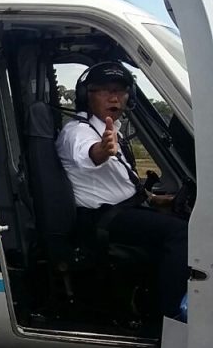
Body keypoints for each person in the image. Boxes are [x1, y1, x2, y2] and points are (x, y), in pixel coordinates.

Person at [55, 61, 188, 324]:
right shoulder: (78, 132)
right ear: (86, 95)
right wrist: (103, 150)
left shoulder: (111, 130)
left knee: (183, 223)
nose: (114, 97)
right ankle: (170, 318)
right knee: (181, 233)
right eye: (104, 90)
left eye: (120, 90)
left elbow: (118, 183)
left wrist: (154, 200)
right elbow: (89, 154)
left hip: (120, 212)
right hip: (99, 220)